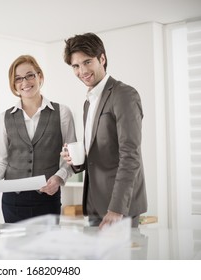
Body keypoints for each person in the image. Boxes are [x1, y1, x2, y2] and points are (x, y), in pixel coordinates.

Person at [0, 55, 77, 223]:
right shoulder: (4, 118)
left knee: (47, 249)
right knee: (14, 249)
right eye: (18, 79)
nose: (25, 82)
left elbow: (72, 159)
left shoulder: (62, 113)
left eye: (30, 75)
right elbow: (1, 162)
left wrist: (59, 178)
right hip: (13, 203)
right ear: (13, 84)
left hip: (47, 199)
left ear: (39, 76)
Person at [62, 32, 147, 228]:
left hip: (119, 208)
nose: (82, 70)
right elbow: (97, 154)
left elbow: (130, 155)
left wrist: (116, 208)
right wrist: (75, 160)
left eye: (87, 62)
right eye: (76, 66)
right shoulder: (88, 103)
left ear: (102, 59)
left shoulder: (124, 94)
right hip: (94, 205)